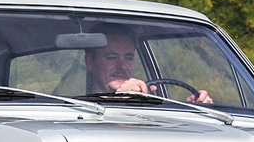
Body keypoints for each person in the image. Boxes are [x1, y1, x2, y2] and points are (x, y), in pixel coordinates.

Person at [84, 32, 213, 103]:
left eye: (128, 58)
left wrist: (197, 108)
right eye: (112, 57)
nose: (122, 66)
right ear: (90, 62)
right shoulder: (73, 111)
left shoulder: (150, 106)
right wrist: (118, 99)